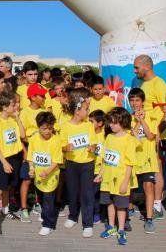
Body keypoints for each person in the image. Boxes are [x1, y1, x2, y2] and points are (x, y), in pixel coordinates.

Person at [134, 54, 166, 219]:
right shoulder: (143, 83)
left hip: (157, 135)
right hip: (145, 134)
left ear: (146, 66)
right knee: (147, 168)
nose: (135, 71)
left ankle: (157, 206)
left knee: (157, 170)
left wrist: (158, 133)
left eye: (136, 67)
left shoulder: (159, 84)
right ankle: (150, 202)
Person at [97, 107, 139, 246]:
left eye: (115, 123)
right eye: (110, 122)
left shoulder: (129, 139)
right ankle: (111, 226)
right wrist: (100, 174)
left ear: (123, 122)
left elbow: (130, 163)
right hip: (108, 178)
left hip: (121, 179)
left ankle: (121, 229)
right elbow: (104, 158)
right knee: (109, 203)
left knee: (121, 206)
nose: (111, 125)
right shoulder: (109, 137)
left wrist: (125, 182)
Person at [59, 87, 97, 238]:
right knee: (73, 192)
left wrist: (92, 147)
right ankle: (73, 216)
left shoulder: (89, 125)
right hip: (71, 164)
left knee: (87, 194)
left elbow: (94, 143)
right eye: (86, 109)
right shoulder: (65, 127)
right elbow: (62, 145)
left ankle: (87, 224)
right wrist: (65, 147)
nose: (88, 112)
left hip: (87, 163)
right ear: (77, 111)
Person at [0, 90, 26, 235]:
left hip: (15, 157)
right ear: (4, 107)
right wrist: (4, 162)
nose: (16, 107)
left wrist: (18, 119)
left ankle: (5, 209)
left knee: (8, 187)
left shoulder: (13, 119)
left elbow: (22, 135)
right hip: (3, 159)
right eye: (13, 105)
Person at [28, 111, 64, 236]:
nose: (47, 131)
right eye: (44, 129)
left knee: (49, 200)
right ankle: (45, 215)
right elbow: (31, 157)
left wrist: (47, 172)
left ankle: (48, 224)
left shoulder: (56, 140)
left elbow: (56, 161)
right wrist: (31, 168)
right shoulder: (33, 139)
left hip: (51, 176)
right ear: (38, 127)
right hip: (38, 176)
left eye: (50, 128)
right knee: (41, 198)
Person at [128, 88, 159, 234]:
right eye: (132, 100)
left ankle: (149, 219)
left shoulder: (151, 116)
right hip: (133, 159)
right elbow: (131, 137)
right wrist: (137, 121)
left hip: (147, 158)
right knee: (131, 188)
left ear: (143, 101)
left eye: (137, 100)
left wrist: (142, 120)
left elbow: (151, 136)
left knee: (149, 187)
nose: (135, 103)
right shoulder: (127, 117)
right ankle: (129, 210)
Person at [17, 83, 48, 223]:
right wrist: (25, 151)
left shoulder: (45, 111)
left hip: (42, 150)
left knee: (40, 178)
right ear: (33, 97)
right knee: (26, 180)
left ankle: (37, 204)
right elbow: (21, 136)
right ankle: (23, 208)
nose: (44, 98)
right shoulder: (24, 112)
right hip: (28, 149)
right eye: (41, 96)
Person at [89, 109, 106, 224]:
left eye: (91, 121)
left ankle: (98, 213)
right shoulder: (88, 134)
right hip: (89, 168)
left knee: (98, 194)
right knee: (90, 193)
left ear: (100, 123)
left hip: (102, 170)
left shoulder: (106, 136)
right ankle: (92, 212)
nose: (89, 124)